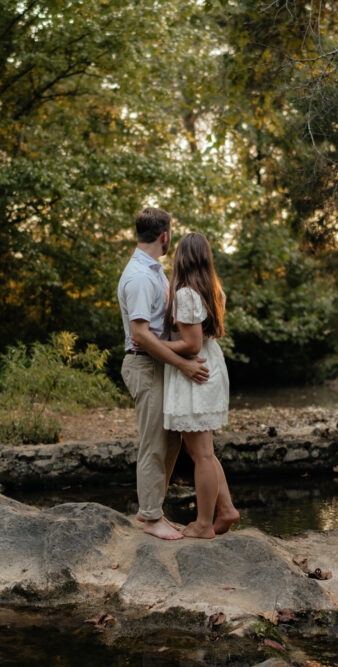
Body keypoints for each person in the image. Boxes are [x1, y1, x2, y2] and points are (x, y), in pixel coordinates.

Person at [118, 207, 209, 541]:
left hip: (158, 363)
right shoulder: (141, 276)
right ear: (165, 236)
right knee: (154, 442)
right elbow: (140, 334)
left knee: (168, 440)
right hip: (144, 363)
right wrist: (183, 363)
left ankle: (150, 509)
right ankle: (152, 518)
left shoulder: (153, 270)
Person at [160, 233, 239, 539]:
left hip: (198, 371)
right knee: (201, 450)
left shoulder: (186, 294)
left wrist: (157, 345)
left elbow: (192, 344)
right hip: (209, 365)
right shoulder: (212, 288)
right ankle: (227, 508)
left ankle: (204, 524)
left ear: (182, 257)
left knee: (202, 453)